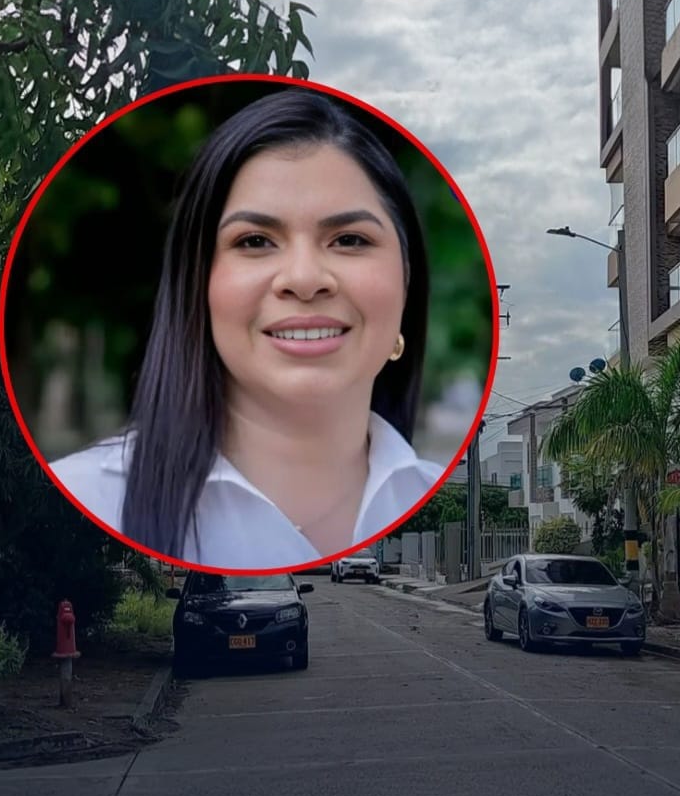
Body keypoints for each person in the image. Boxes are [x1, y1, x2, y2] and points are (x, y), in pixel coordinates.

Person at [48, 85, 445, 570]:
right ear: (199, 283)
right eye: (255, 241)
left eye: (349, 239)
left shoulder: (434, 494)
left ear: (406, 281)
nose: (304, 279)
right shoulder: (83, 499)